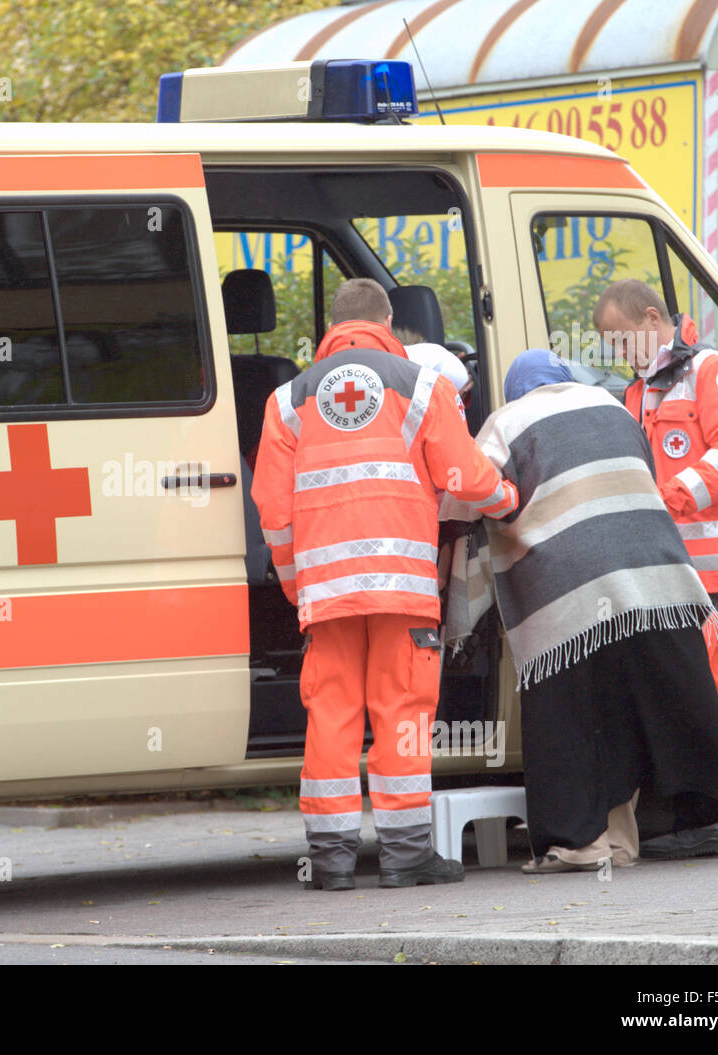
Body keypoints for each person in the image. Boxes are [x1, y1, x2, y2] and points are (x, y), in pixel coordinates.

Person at [251, 278, 518, 890]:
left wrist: (299, 587)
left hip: (329, 591)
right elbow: (465, 475)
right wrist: (508, 499)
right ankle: (404, 856)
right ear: (389, 323)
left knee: (333, 713)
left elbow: (273, 509)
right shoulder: (420, 385)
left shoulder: (287, 400)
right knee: (401, 712)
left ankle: (331, 861)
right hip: (401, 587)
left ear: (332, 329)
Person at [441, 350, 718, 872]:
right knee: (654, 696)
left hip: (569, 589)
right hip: (659, 578)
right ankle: (699, 820)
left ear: (518, 390)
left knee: (571, 712)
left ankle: (579, 843)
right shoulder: (613, 406)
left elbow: (469, 497)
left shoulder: (506, 420)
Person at [594, 280, 718, 859]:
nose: (620, 353)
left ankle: (714, 814)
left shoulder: (712, 372)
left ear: (652, 317)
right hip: (669, 564)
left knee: (701, 681)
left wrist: (673, 497)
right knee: (685, 682)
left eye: (623, 339)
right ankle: (692, 809)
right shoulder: (640, 390)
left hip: (710, 564)